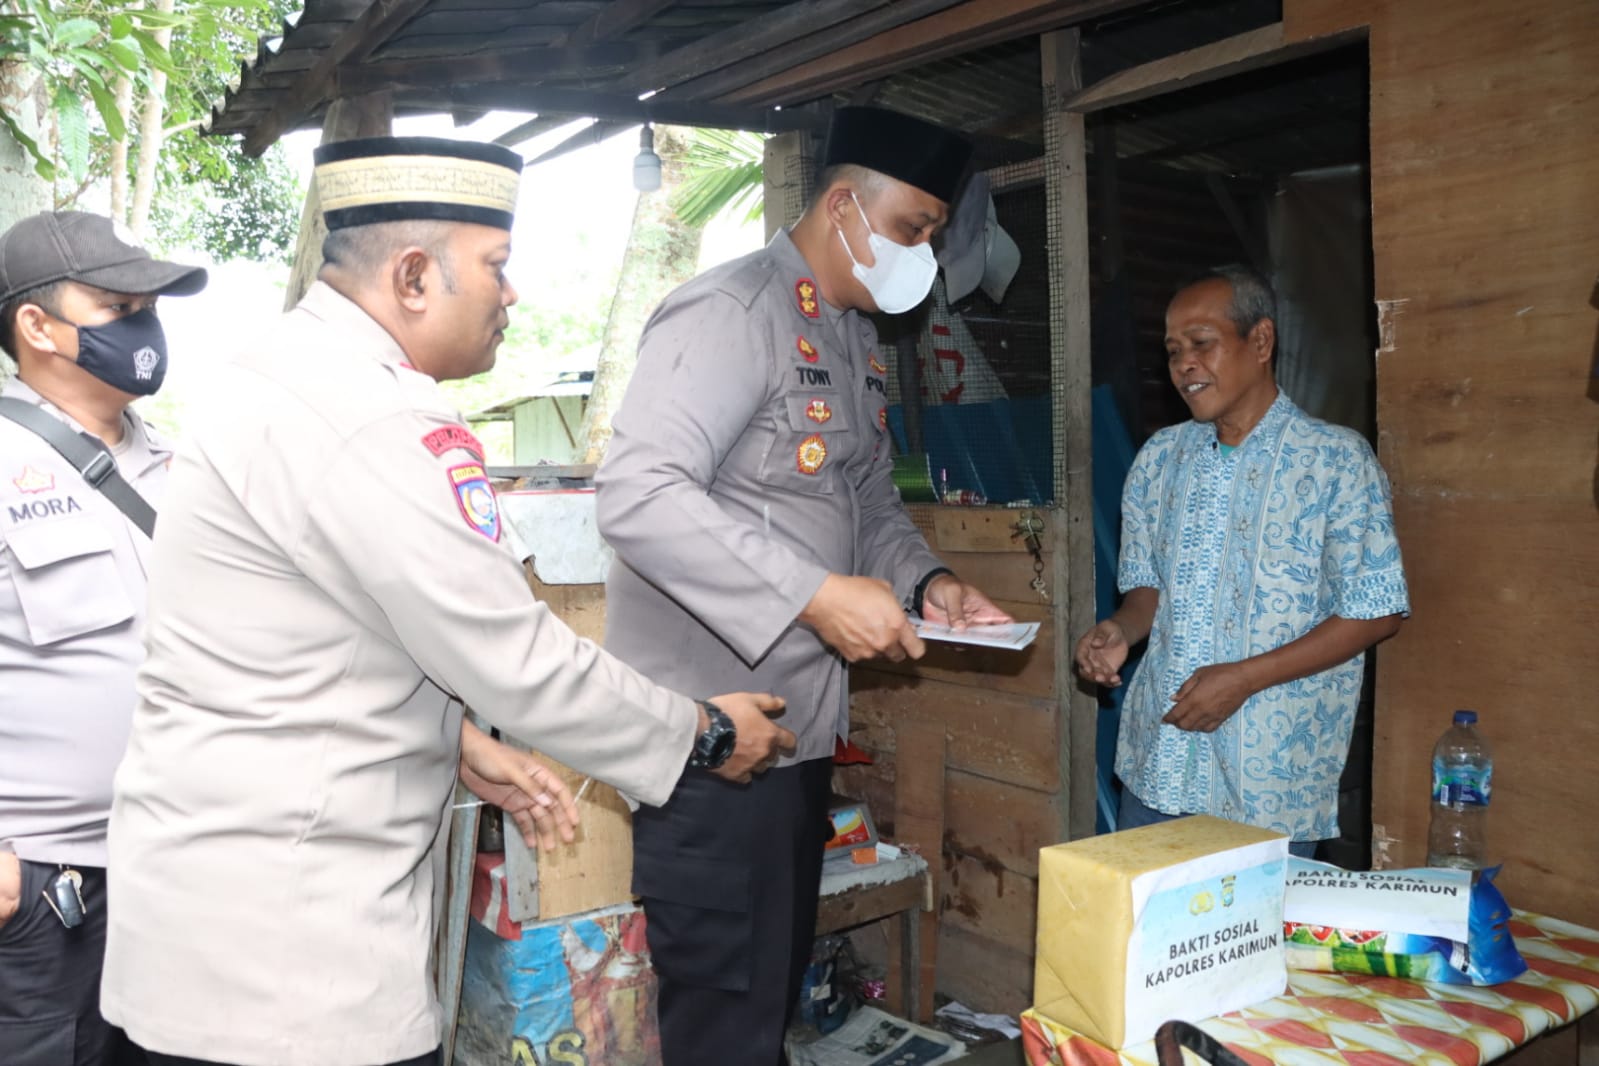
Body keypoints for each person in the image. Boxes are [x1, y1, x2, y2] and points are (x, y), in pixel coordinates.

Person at [98, 137, 794, 1066]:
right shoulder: (373, 416)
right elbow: (519, 662)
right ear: (415, 276)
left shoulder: (275, 372)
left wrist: (451, 740)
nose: (513, 295)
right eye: (497, 268)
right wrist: (703, 733)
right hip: (287, 968)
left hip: (204, 926)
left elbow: (301, 639)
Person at [595, 106, 1011, 1064]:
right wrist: (812, 594)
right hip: (710, 749)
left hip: (796, 742)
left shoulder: (851, 335)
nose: (922, 253)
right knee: (721, 1022)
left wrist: (929, 580)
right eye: (911, 229)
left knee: (763, 1002)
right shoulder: (731, 313)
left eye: (932, 237)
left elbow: (862, 494)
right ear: (842, 204)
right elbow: (638, 494)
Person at [1074, 265, 1410, 857]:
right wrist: (1120, 631)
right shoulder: (1159, 460)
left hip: (1268, 781)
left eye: (1202, 344)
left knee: (1252, 948)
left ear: (1260, 341)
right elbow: (1149, 590)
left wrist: (1244, 678)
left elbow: (1376, 612)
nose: (1184, 364)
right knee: (1143, 942)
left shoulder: (1334, 461)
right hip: (1162, 759)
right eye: (1174, 350)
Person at [0, 210, 208, 1066]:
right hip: (44, 888)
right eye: (115, 306)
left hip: (168, 870)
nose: (143, 325)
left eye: (144, 306)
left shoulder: (175, 464)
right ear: (38, 326)